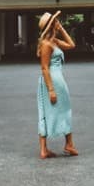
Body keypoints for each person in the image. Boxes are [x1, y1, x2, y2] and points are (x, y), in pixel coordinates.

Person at [36, 10, 78, 159]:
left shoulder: (54, 41)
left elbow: (72, 45)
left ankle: (68, 144)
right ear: (50, 26)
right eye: (55, 22)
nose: (57, 23)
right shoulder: (47, 44)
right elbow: (44, 68)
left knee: (64, 109)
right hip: (51, 80)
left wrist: (61, 29)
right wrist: (51, 90)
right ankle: (46, 148)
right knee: (46, 112)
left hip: (58, 79)